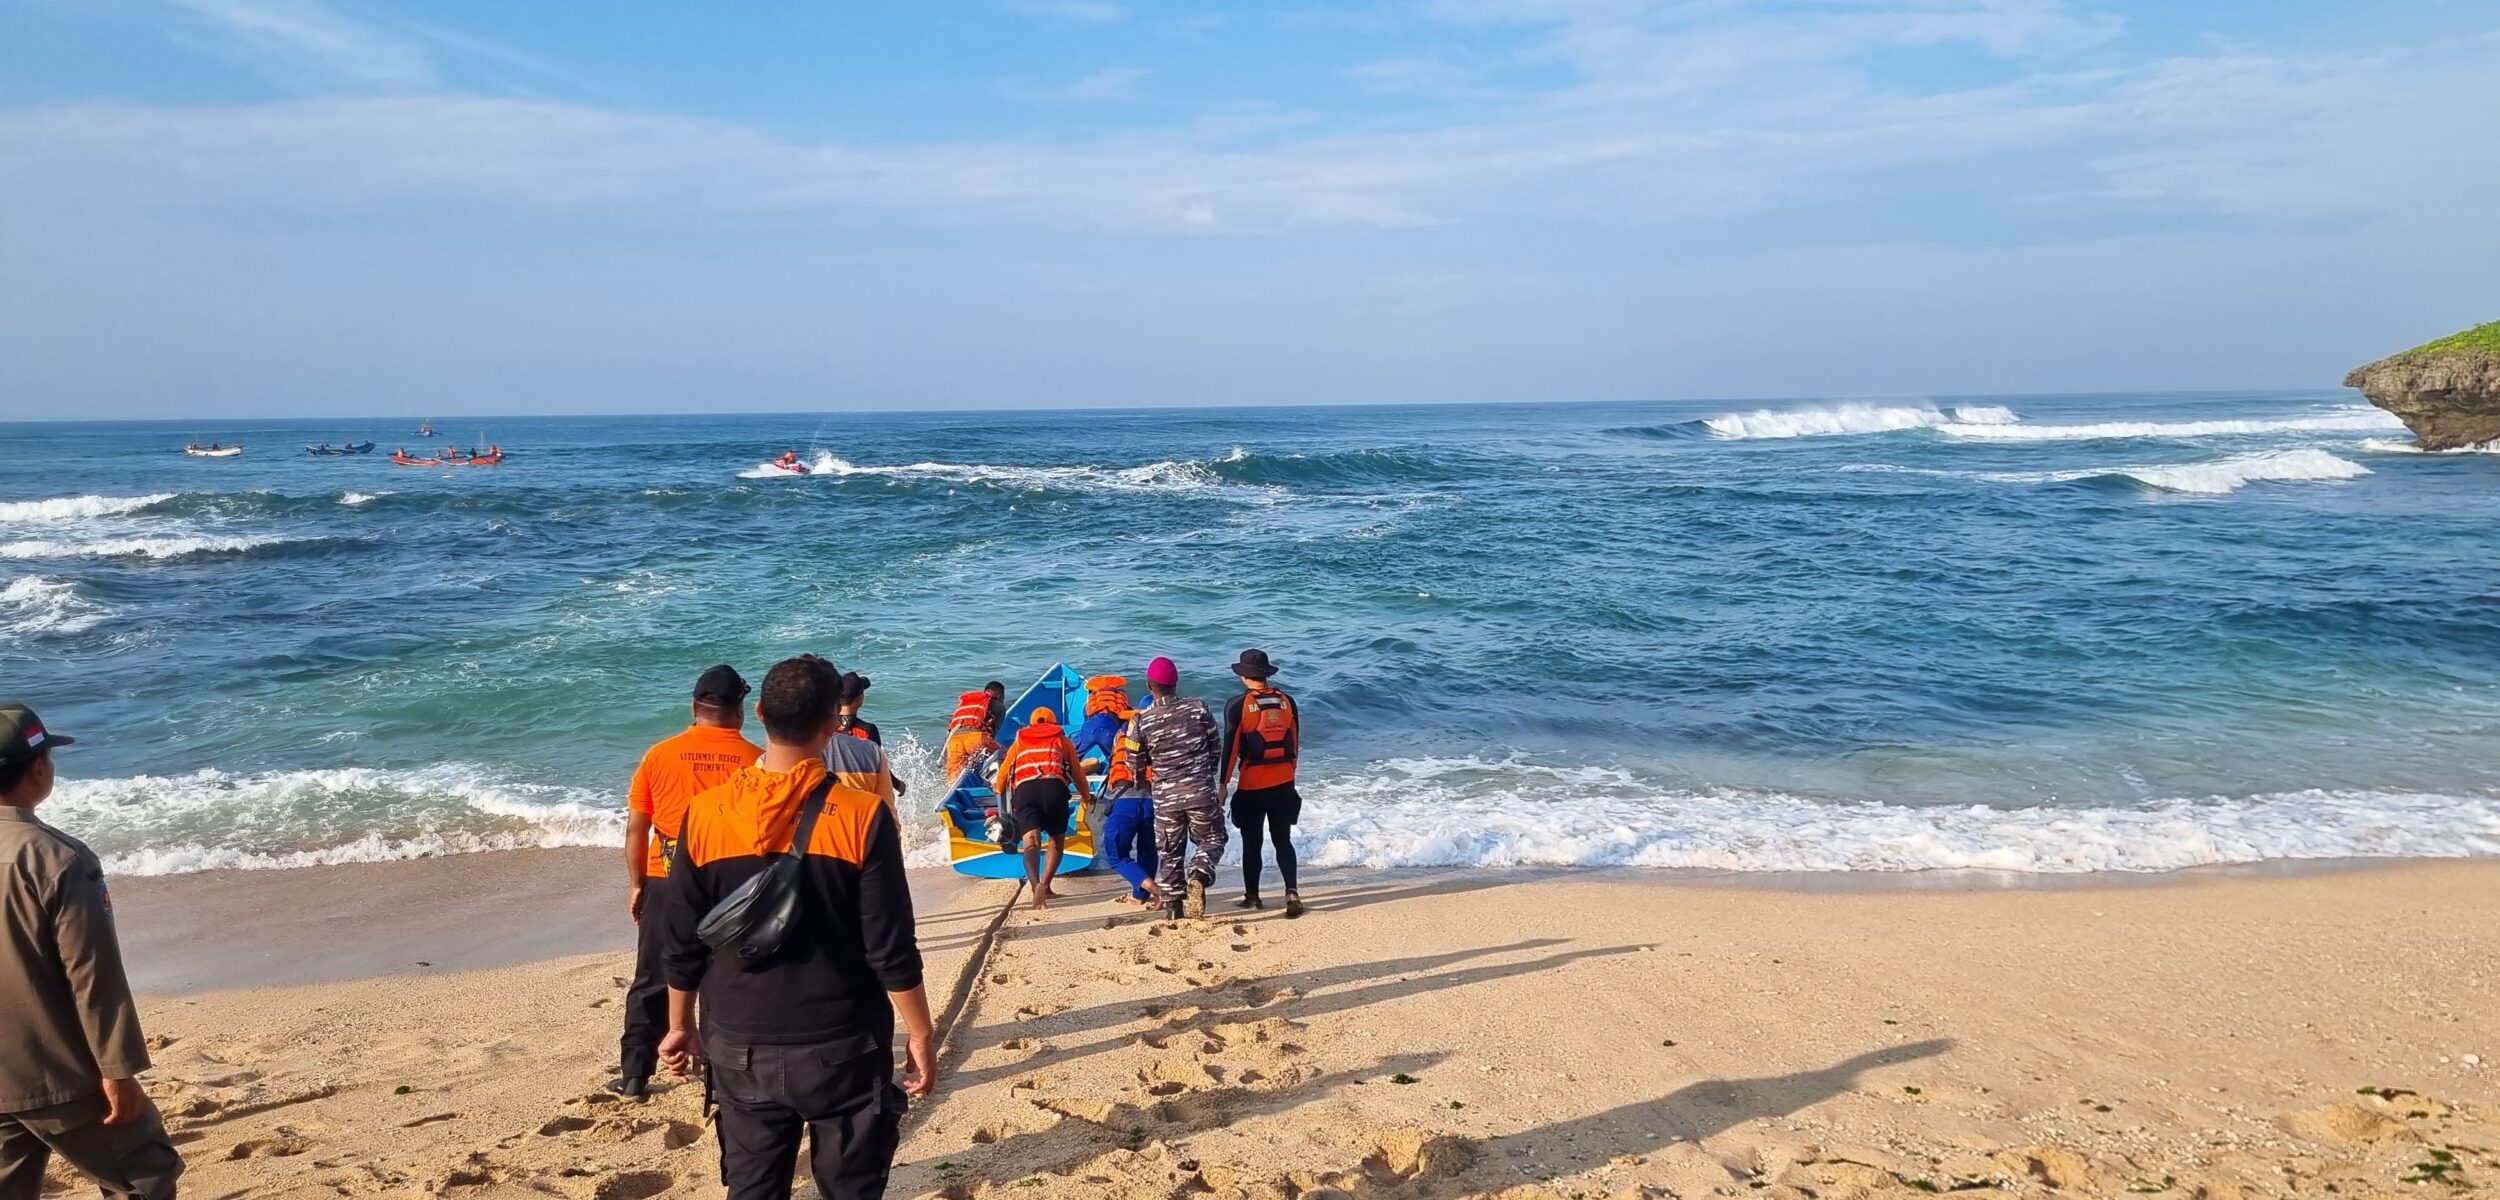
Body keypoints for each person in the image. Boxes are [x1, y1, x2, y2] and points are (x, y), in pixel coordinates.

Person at [658, 655, 932, 1200]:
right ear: (834, 721)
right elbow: (889, 947)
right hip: (844, 1043)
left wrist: (678, 1023)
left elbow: (683, 939)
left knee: (753, 1188)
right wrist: (921, 1032)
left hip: (738, 1042)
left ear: (759, 713)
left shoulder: (705, 813)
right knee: (851, 1189)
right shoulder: (862, 815)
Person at [0, 703, 184, 1200]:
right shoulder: (57, 858)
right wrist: (117, 1070)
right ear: (39, 771)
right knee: (144, 1173)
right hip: (52, 1070)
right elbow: (91, 974)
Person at [614, 666, 761, 1097]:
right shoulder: (756, 760)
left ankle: (635, 1074)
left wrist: (638, 883)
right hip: (731, 884)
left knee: (652, 976)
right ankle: (720, 1076)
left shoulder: (659, 755)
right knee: (723, 977)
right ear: (740, 711)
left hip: (667, 878)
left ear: (694, 708)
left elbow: (636, 828)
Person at [1127, 656, 1224, 920]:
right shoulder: (1198, 708)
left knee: (1169, 852)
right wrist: (1207, 774)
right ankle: (1199, 873)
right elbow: (1215, 746)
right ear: (1176, 683)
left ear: (1149, 686)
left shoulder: (1142, 721)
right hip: (1200, 791)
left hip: (1166, 797)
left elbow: (1134, 762)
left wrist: (1143, 781)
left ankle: (1173, 910)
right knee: (1212, 838)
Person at [1221, 649, 1306, 918]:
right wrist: (1290, 775)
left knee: (1252, 842)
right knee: (1283, 840)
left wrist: (1223, 785)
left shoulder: (1237, 705)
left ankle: (1253, 898)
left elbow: (1230, 749)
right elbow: (1295, 742)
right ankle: (1291, 891)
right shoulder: (1287, 701)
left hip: (1252, 787)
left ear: (1244, 676)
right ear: (1266, 674)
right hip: (1284, 783)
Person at [992, 707, 1088, 909]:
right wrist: (1087, 798)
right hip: (1054, 787)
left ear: (1031, 724)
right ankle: (1046, 884)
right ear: (1053, 723)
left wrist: (999, 789)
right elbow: (1077, 772)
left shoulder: (1020, 740)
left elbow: (1003, 773)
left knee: (1031, 841)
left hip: (1026, 790)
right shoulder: (1062, 740)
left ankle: (1035, 885)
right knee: (1056, 841)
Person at [1096, 709, 1159, 906]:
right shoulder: (1161, 736)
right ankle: (1140, 896)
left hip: (1125, 801)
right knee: (1148, 851)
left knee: (1116, 855)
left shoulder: (1121, 734)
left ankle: (1153, 888)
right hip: (1153, 802)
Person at [833, 673, 906, 800]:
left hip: (832, 792)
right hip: (861, 795)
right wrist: (898, 785)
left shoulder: (826, 728)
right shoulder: (868, 730)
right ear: (860, 699)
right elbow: (879, 767)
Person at [940, 689, 1002, 786]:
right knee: (1003, 754)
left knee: (953, 778)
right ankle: (999, 784)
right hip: (975, 737)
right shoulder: (996, 705)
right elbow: (993, 734)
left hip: (954, 741)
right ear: (999, 696)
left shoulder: (960, 708)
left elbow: (948, 734)